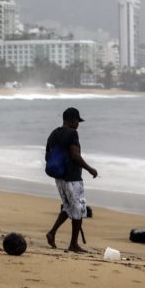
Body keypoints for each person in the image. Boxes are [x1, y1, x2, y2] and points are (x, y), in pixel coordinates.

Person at [45, 107, 98, 253]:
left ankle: (52, 233)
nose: (78, 125)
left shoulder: (54, 133)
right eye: (77, 121)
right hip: (72, 177)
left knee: (68, 207)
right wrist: (89, 169)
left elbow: (47, 156)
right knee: (79, 210)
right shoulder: (73, 133)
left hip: (59, 177)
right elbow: (75, 155)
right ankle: (73, 244)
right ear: (72, 120)